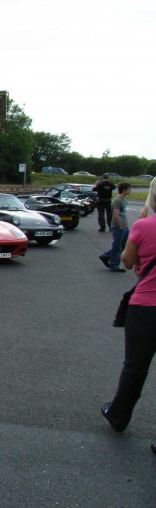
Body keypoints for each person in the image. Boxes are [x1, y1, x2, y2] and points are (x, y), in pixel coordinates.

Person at [100, 184, 156, 456]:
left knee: (135, 367)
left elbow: (127, 258)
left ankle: (118, 416)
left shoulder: (144, 226)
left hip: (145, 308)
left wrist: (140, 262)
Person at [99, 183, 131, 272]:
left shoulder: (124, 199)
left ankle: (106, 256)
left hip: (124, 226)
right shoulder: (117, 200)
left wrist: (125, 226)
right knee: (117, 246)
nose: (130, 191)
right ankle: (114, 265)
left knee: (123, 246)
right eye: (129, 189)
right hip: (118, 226)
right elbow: (116, 215)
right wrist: (120, 226)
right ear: (124, 190)